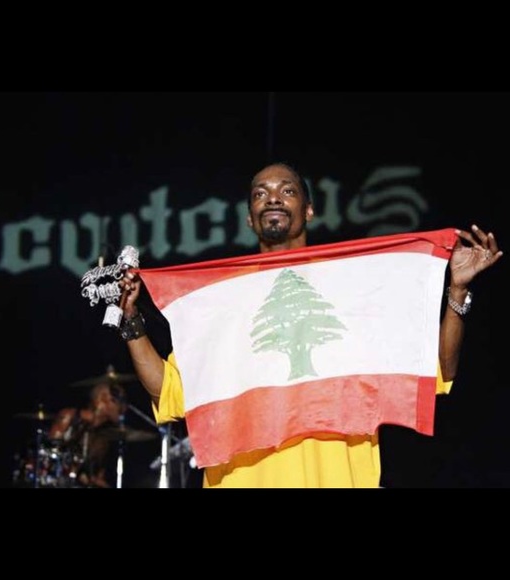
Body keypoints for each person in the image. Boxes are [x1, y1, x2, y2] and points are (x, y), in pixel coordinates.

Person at [114, 162, 503, 488]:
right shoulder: (222, 298)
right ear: (249, 217)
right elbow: (170, 391)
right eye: (261, 193)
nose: (273, 198)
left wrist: (457, 291)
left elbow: (438, 370)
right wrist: (131, 320)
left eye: (287, 190)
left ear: (309, 210)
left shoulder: (352, 287)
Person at [48, 382, 126, 488]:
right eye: (118, 401)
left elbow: (94, 477)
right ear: (102, 399)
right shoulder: (70, 417)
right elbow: (48, 455)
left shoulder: (105, 438)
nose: (123, 407)